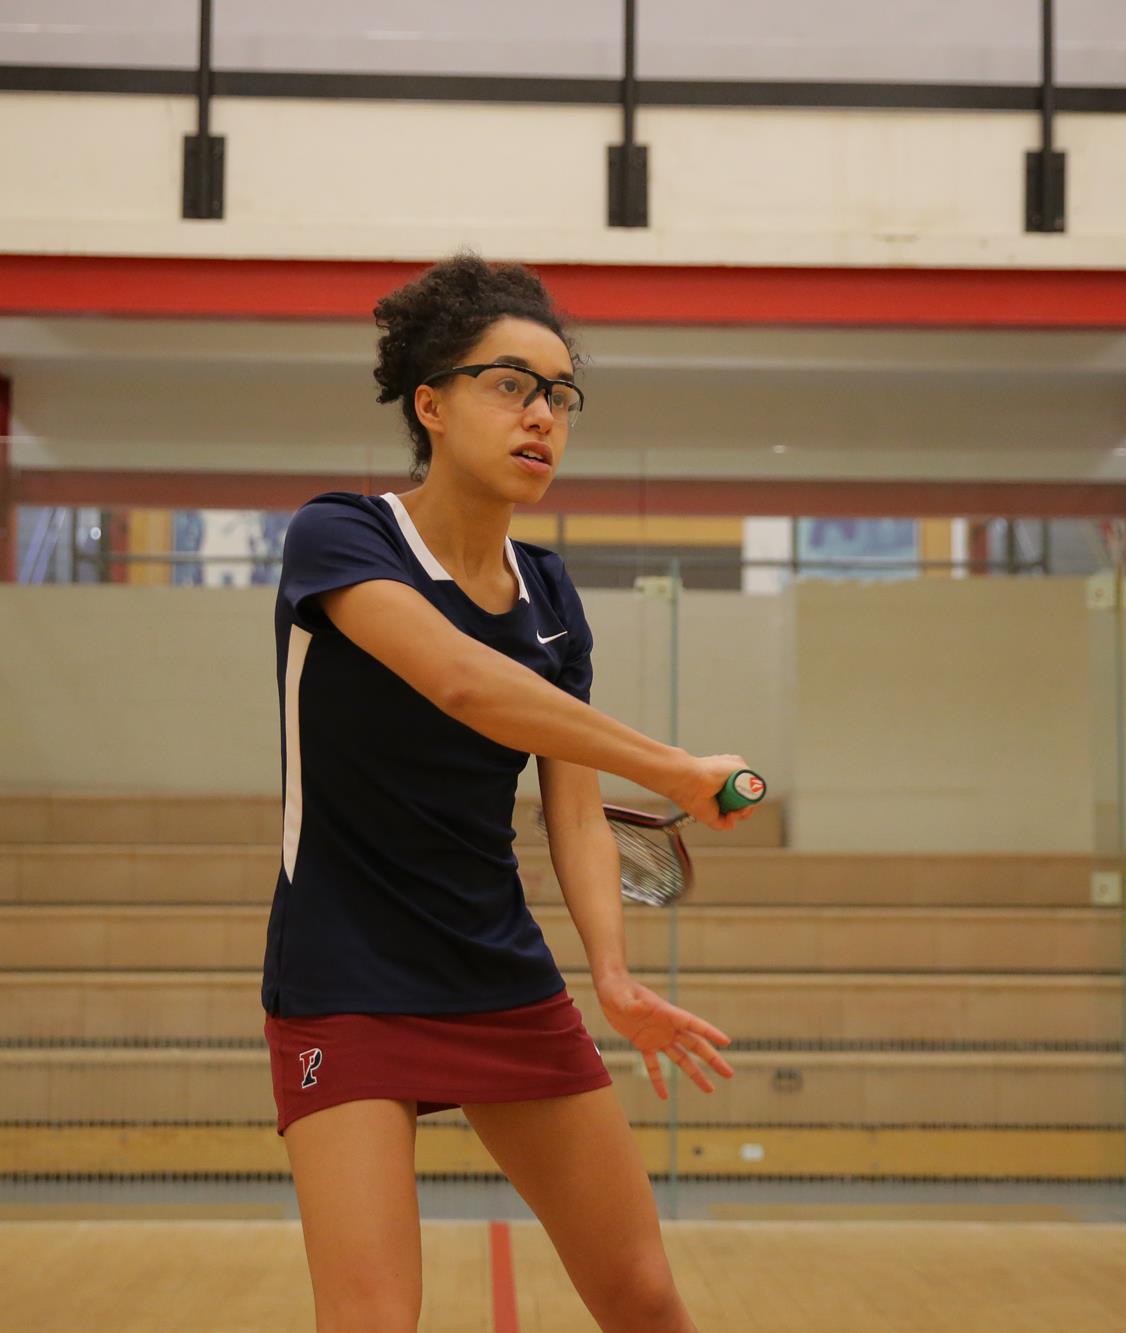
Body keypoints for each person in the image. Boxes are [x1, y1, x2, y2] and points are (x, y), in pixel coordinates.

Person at [261, 253, 756, 1332]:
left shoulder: (549, 593)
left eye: (560, 394)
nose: (542, 417)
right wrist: (675, 769)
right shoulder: (338, 537)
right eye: (510, 385)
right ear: (428, 404)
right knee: (372, 1320)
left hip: (494, 970)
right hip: (340, 972)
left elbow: (567, 806)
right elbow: (459, 680)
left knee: (642, 1299)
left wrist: (613, 978)